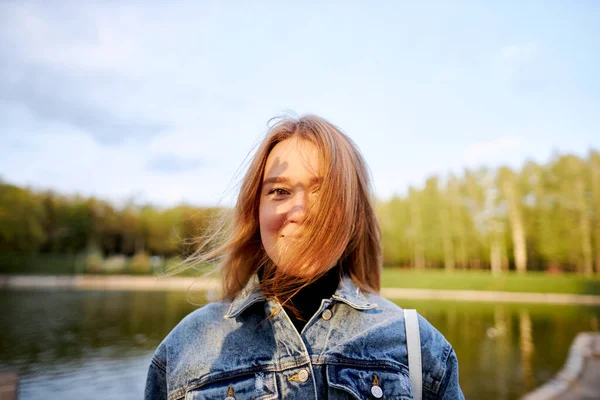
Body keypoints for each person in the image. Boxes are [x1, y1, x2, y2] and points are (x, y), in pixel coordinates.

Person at [144, 115, 464, 399]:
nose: (300, 212)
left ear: (355, 214)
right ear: (255, 211)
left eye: (323, 192)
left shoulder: (417, 346)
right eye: (279, 191)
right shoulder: (188, 346)